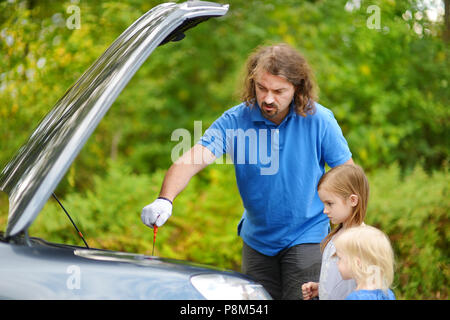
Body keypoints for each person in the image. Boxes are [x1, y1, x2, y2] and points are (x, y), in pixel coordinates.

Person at [141, 43, 353, 300]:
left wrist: (350, 232)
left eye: (278, 91)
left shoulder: (319, 120)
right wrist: (165, 198)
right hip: (257, 241)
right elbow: (193, 158)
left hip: (307, 234)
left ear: (297, 88)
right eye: (261, 88)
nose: (268, 98)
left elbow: (348, 176)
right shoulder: (235, 120)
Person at [302, 164, 368, 300]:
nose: (325, 210)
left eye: (330, 204)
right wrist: (320, 288)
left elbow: (369, 286)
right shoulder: (336, 235)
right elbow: (341, 282)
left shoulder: (362, 241)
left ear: (353, 200)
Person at [334, 225, 396, 300]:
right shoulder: (388, 294)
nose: (337, 263)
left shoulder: (355, 298)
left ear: (358, 263)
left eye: (340, 258)